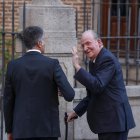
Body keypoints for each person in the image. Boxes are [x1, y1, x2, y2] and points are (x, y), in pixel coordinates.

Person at [4, 26, 75, 140]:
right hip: (47, 130)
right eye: (44, 40)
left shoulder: (13, 66)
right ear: (40, 43)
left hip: (21, 131)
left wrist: (9, 129)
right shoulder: (52, 64)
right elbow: (70, 95)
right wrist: (60, 90)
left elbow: (8, 101)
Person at [67, 30, 135, 140]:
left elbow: (97, 86)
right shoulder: (94, 61)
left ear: (99, 42)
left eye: (88, 43)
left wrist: (77, 67)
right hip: (108, 123)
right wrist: (76, 111)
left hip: (115, 122)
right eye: (83, 45)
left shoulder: (107, 59)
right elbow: (92, 93)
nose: (85, 48)